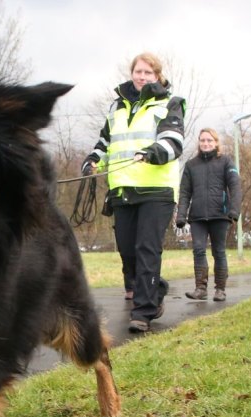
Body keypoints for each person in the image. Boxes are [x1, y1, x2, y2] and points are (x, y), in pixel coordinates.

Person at [82, 52, 185, 332]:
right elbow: (105, 141)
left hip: (156, 190)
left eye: (148, 73)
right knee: (128, 252)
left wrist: (152, 152)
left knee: (146, 249)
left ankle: (144, 311)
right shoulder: (116, 106)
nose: (142, 77)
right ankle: (156, 287)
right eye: (138, 71)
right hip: (122, 189)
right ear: (132, 73)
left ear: (157, 76)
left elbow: (173, 142)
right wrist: (92, 160)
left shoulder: (169, 103)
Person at [175, 128, 241, 301]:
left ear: (216, 143)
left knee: (219, 252)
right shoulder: (191, 165)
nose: (206, 143)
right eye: (203, 140)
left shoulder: (226, 162)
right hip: (197, 217)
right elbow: (184, 192)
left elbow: (235, 187)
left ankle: (220, 290)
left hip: (220, 215)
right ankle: (200, 289)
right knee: (198, 250)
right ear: (199, 142)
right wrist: (181, 215)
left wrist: (234, 210)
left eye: (209, 140)